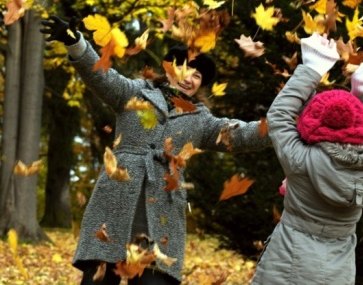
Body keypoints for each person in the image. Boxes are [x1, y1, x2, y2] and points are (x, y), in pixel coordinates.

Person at [40, 15, 271, 285]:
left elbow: (241, 135)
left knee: (153, 281)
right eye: (186, 69)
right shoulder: (134, 92)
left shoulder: (201, 119)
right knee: (99, 280)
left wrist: (282, 126)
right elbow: (101, 75)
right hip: (116, 199)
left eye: (197, 76)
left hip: (161, 208)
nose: (191, 79)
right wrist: (75, 42)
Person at [250, 33, 363, 285]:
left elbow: (279, 116)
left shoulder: (302, 159)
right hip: (340, 266)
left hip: (291, 261)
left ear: (314, 122)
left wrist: (313, 68)